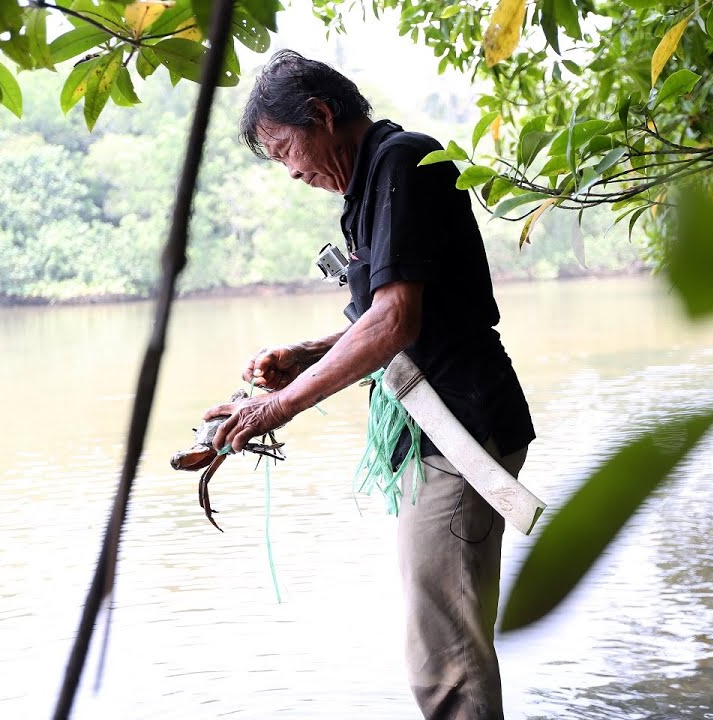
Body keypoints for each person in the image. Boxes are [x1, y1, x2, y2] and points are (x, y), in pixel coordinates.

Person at [203, 49, 535, 720]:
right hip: (447, 434)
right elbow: (397, 316)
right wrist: (304, 355)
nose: (291, 170)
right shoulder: (372, 188)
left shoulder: (402, 164)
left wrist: (283, 404)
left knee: (444, 654)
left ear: (322, 115)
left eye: (284, 150)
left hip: (461, 433)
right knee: (446, 635)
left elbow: (393, 321)